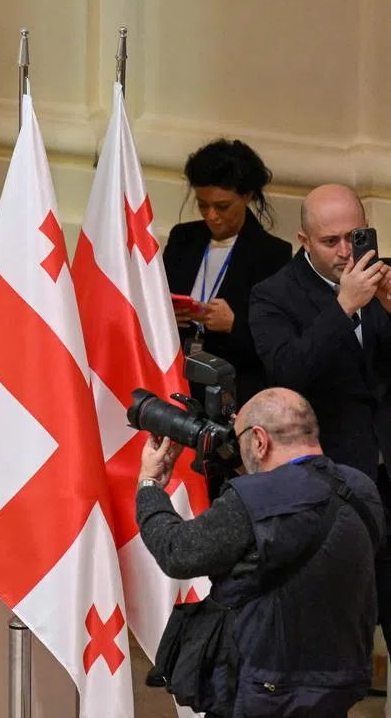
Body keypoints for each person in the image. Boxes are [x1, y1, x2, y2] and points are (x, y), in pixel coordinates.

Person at [137, 388, 382, 717]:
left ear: (260, 440)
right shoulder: (361, 488)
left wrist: (150, 484)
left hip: (267, 690)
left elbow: (177, 552)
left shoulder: (253, 499)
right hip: (338, 684)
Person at [249, 184, 391, 634]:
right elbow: (288, 373)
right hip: (331, 479)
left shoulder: (385, 278)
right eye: (331, 242)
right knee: (330, 622)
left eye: (357, 236)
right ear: (303, 240)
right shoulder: (273, 295)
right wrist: (344, 304)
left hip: (388, 472)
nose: (347, 252)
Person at [163, 139, 292, 415]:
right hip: (175, 380)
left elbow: (279, 342)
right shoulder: (182, 239)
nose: (212, 216)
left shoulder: (272, 254)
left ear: (246, 197)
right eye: (203, 205)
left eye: (222, 206)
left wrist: (235, 324)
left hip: (233, 390)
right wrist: (167, 315)